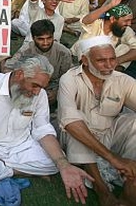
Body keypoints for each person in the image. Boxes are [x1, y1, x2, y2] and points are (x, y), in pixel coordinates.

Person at [0, 55, 93, 205]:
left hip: (18, 145)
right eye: (35, 85)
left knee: (56, 163)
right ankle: (17, 169)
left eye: (41, 87)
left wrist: (64, 165)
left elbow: (42, 130)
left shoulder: (40, 95)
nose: (38, 92)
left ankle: (0, 167)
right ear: (20, 74)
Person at [58, 35, 136, 206]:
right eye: (101, 61)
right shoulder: (69, 79)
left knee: (133, 122)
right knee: (76, 124)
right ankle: (103, 191)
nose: (109, 66)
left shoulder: (123, 80)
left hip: (109, 133)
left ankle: (131, 180)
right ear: (85, 60)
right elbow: (69, 121)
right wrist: (112, 158)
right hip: (77, 139)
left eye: (112, 59)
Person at [0, 19, 72, 107]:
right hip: (29, 86)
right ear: (33, 38)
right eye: (41, 39)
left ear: (53, 36)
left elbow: (67, 77)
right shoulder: (26, 50)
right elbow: (8, 69)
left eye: (49, 38)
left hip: (53, 87)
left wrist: (56, 92)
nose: (45, 43)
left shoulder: (63, 53)